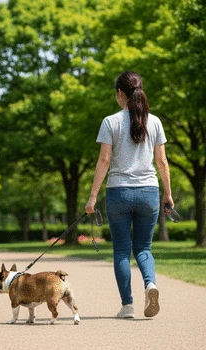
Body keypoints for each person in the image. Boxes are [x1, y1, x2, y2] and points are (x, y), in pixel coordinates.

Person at [85, 71, 174, 319]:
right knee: (144, 248)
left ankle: (127, 306)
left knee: (122, 251)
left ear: (120, 94)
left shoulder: (110, 122)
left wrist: (92, 198)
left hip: (119, 193)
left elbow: (104, 160)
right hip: (149, 193)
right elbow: (162, 161)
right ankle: (150, 284)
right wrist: (168, 194)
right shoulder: (155, 122)